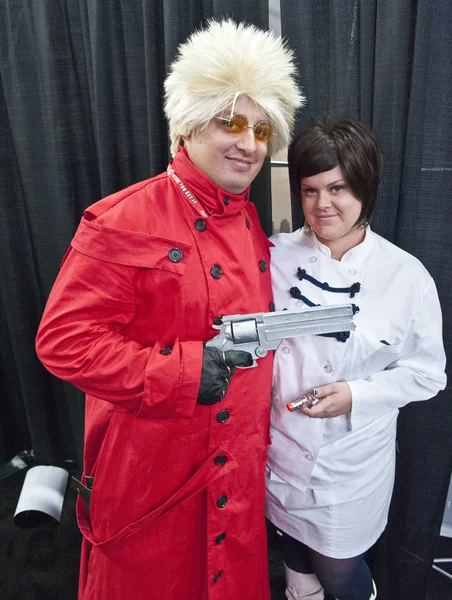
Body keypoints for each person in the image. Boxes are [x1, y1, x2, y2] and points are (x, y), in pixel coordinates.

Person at [35, 19, 303, 600]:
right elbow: (62, 340)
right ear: (189, 123)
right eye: (229, 122)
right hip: (155, 480)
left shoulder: (250, 218)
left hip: (236, 475)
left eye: (261, 129)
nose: (249, 143)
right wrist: (182, 371)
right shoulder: (121, 218)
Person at [265, 117, 447, 600]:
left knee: (340, 567)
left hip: (348, 466)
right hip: (277, 449)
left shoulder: (406, 276)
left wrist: (355, 395)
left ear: (365, 187)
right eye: (310, 190)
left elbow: (427, 375)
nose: (323, 205)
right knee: (295, 552)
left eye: (338, 188)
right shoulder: (272, 256)